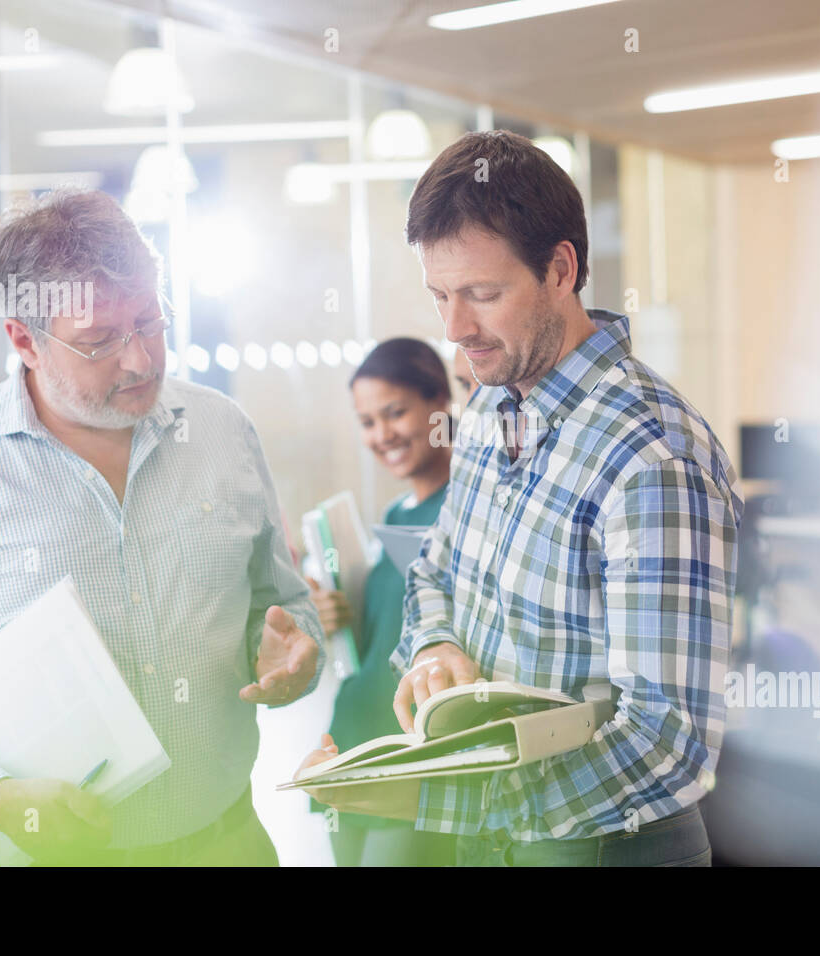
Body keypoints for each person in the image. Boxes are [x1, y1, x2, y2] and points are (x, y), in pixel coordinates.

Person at [0, 187, 324, 866]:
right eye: (98, 343)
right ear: (23, 341)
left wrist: (295, 651)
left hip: (230, 842)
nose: (141, 360)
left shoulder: (223, 432)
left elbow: (282, 606)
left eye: (151, 321)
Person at [301, 130, 742, 867]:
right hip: (496, 840)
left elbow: (667, 742)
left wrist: (425, 793)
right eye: (440, 295)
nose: (454, 328)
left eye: (481, 294)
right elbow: (432, 574)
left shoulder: (649, 457)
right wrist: (437, 647)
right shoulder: (487, 409)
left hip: (606, 846)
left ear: (561, 268)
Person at [306, 338, 472, 866]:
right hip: (356, 745)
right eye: (368, 421)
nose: (382, 435)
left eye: (395, 412)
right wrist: (333, 614)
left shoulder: (472, 507)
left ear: (440, 402)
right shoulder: (396, 515)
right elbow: (385, 640)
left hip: (414, 759)